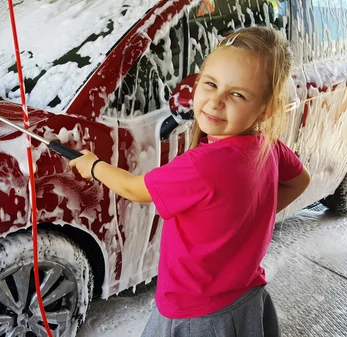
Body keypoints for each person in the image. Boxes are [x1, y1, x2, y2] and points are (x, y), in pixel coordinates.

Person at [69, 26, 311, 337]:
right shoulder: (267, 146)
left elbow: (133, 189)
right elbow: (300, 181)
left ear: (266, 108)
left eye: (237, 94)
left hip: (195, 311)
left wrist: (94, 166)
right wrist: (245, 221)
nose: (216, 101)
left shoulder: (203, 165)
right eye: (210, 84)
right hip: (245, 298)